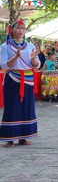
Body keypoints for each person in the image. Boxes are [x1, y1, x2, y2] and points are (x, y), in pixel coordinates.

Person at [0, 19, 41, 147]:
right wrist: (16, 57)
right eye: (18, 28)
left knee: (27, 108)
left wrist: (34, 58)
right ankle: (10, 138)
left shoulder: (30, 46)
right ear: (11, 30)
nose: (20, 31)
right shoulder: (5, 46)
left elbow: (37, 65)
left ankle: (24, 137)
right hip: (13, 78)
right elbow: (3, 65)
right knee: (13, 108)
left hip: (28, 80)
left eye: (23, 29)